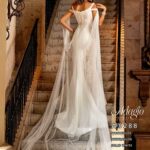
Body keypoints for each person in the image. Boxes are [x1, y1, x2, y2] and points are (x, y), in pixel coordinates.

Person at [21, 0, 111, 150]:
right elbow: (98, 25)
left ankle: (74, 108)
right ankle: (83, 107)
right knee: (83, 73)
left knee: (77, 73)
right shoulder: (93, 6)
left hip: (77, 38)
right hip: (87, 38)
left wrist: (72, 30)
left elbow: (63, 21)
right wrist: (105, 11)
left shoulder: (75, 5)